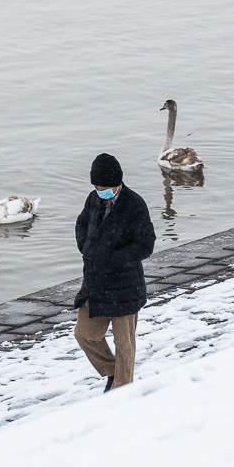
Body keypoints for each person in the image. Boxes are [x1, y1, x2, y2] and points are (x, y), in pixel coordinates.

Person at [73, 153, 156, 392]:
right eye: (97, 187)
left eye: (105, 187)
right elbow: (81, 224)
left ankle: (122, 388)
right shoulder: (93, 199)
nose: (101, 191)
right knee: (85, 334)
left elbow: (146, 244)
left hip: (124, 285)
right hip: (95, 283)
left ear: (117, 183)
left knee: (124, 343)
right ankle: (111, 370)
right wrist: (86, 248)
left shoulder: (134, 204)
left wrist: (115, 259)